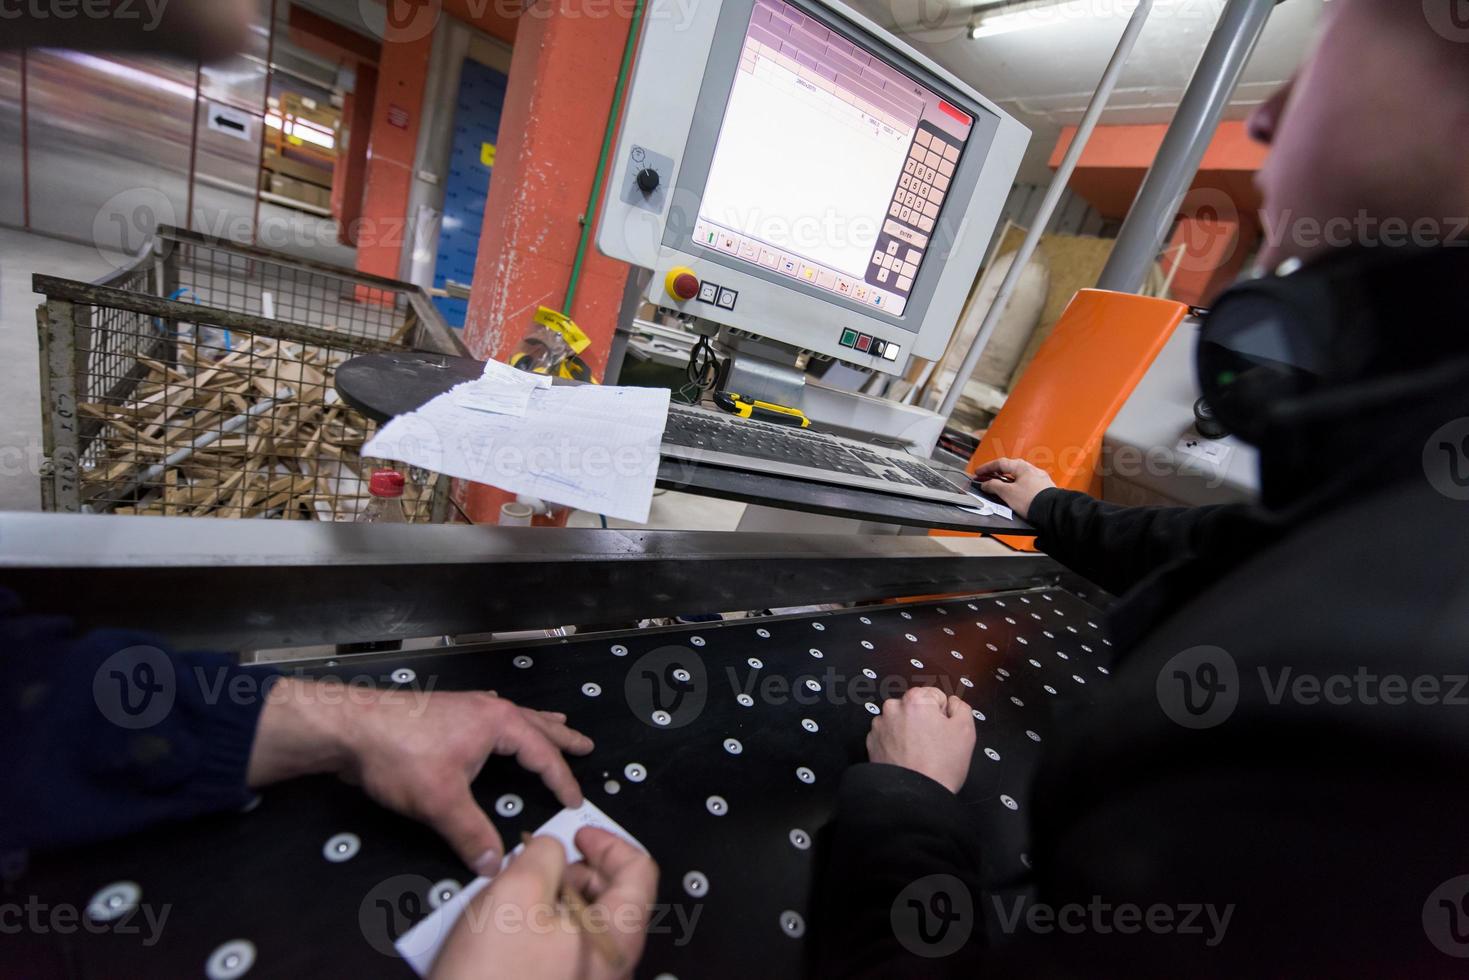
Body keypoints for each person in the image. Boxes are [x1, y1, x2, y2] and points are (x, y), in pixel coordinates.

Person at [816, 0, 1469, 973]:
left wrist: (902, 801)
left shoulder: (1379, 731)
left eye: (1333, 34)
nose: (1263, 117)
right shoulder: (1397, 497)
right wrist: (1045, 505)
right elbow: (1235, 549)